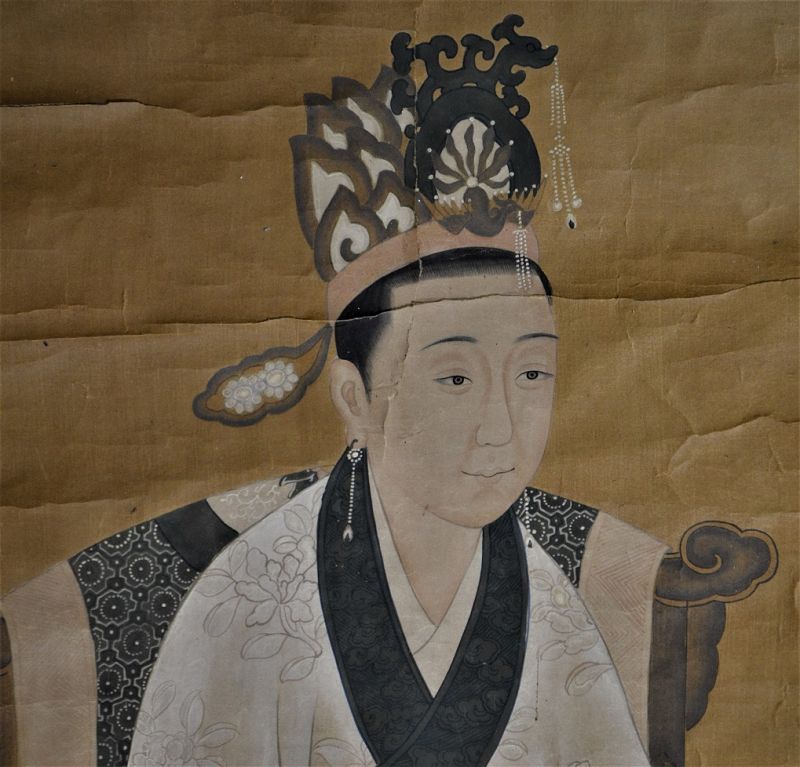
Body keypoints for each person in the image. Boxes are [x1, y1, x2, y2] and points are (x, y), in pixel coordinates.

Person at [126, 17, 669, 767]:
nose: (501, 428)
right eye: (455, 378)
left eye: (531, 374)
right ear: (353, 397)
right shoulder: (245, 606)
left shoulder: (553, 614)